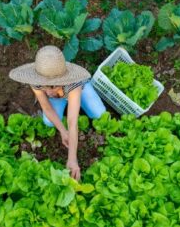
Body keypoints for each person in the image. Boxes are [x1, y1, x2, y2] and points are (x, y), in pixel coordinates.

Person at [8, 45, 106, 180]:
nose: (48, 92)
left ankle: (80, 99)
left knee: (99, 114)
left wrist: (72, 158)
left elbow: (72, 122)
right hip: (60, 97)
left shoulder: (73, 82)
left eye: (53, 86)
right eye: (44, 86)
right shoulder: (37, 80)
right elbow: (46, 107)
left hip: (77, 91)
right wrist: (63, 131)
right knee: (48, 121)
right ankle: (70, 104)